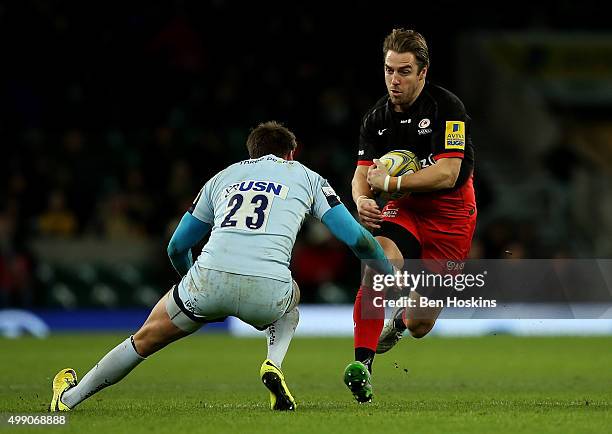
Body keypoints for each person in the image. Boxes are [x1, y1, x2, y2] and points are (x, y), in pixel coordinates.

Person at [49, 121, 396, 412]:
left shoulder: (223, 177)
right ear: (291, 154)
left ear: (252, 154)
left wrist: (194, 283)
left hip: (207, 279)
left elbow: (176, 246)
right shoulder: (307, 177)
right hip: (268, 287)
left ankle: (70, 398)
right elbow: (359, 240)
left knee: (143, 340)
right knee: (290, 301)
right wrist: (387, 274)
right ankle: (273, 362)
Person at [344, 29, 477, 402]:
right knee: (379, 260)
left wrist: (391, 179)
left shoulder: (447, 109)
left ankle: (400, 321)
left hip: (451, 213)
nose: (395, 79)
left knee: (421, 323)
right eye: (389, 70)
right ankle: (362, 365)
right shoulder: (376, 117)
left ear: (423, 72)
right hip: (405, 207)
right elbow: (361, 172)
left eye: (404, 71)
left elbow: (448, 173)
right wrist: (361, 199)